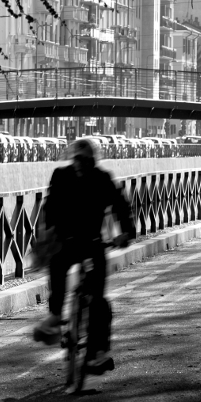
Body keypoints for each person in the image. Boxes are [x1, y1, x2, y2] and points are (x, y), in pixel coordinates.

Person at [33, 138, 135, 374]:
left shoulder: (103, 179)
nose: (78, 164)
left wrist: (127, 232)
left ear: (91, 161)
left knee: (99, 302)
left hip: (92, 243)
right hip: (65, 242)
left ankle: (98, 353)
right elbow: (49, 207)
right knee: (57, 275)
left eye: (83, 160)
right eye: (75, 159)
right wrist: (48, 233)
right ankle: (56, 317)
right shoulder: (60, 176)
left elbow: (121, 206)